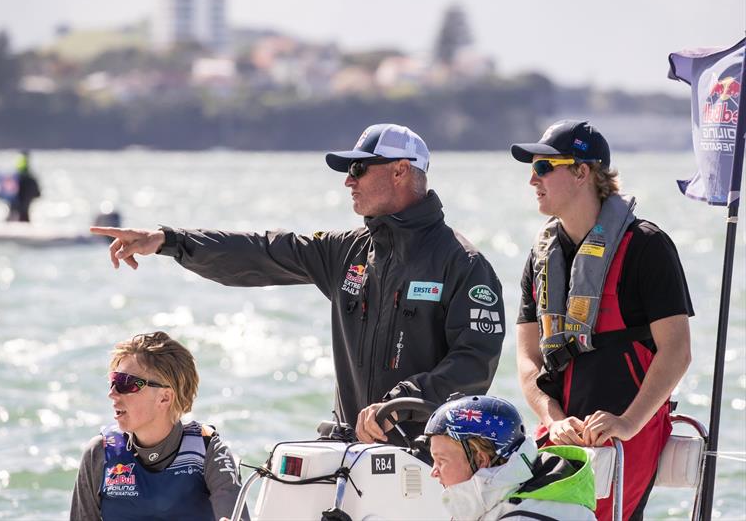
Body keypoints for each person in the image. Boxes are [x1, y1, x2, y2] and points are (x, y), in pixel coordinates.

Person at [91, 123, 505, 446]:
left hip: (430, 458)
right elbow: (261, 252)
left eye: (358, 168)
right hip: (352, 449)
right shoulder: (348, 252)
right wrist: (170, 241)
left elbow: (475, 362)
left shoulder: (463, 264)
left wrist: (402, 403)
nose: (348, 180)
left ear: (400, 171)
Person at [511, 120, 693, 520]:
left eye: (544, 167)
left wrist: (627, 423)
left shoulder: (647, 246)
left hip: (628, 431)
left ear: (582, 171)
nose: (532, 179)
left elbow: (677, 350)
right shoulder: (540, 258)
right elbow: (527, 359)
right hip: (560, 430)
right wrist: (551, 417)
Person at [70, 331, 248, 521]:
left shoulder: (208, 451)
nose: (112, 394)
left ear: (164, 397)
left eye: (126, 383)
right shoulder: (100, 452)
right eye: (113, 381)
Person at [426, 394, 596, 521]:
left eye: (441, 460)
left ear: (480, 460)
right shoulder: (528, 497)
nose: (433, 472)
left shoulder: (524, 517)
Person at [8, 149, 40, 222]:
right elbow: (37, 194)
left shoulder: (14, 177)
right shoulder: (29, 178)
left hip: (16, 210)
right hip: (23, 210)